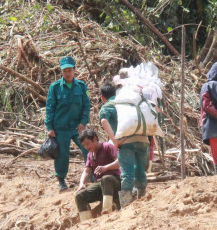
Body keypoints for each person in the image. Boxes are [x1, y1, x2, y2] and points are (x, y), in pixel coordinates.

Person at [99, 80, 149, 208]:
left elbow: (104, 120)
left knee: (127, 175)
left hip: (126, 142)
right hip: (143, 139)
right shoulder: (129, 100)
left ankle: (125, 207)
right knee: (140, 172)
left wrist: (114, 141)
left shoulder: (109, 105)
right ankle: (142, 201)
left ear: (102, 98)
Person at [44, 56, 91, 191]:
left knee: (87, 149)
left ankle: (92, 174)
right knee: (62, 154)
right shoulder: (55, 87)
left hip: (77, 127)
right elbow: (50, 107)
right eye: (65, 71)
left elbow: (86, 106)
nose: (68, 73)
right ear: (61, 72)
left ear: (74, 70)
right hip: (61, 128)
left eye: (70, 70)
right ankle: (61, 180)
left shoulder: (81, 86)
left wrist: (83, 122)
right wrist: (49, 127)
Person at [74, 129, 121, 220]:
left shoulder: (107, 147)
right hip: (100, 185)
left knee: (106, 178)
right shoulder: (89, 155)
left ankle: (107, 211)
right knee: (79, 195)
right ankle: (86, 222)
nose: (86, 147)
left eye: (87, 143)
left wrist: (106, 167)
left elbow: (120, 162)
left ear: (95, 139)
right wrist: (82, 184)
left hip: (114, 182)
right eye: (84, 145)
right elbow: (87, 171)